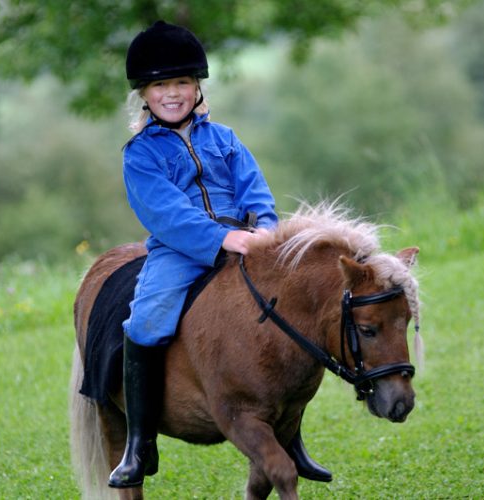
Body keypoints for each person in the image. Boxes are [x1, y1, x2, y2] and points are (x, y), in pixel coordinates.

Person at [108, 20, 331, 489]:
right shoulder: (140, 155)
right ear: (144, 95)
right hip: (182, 249)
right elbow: (165, 212)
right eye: (161, 85)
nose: (173, 94)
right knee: (145, 321)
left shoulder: (225, 138)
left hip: (250, 240)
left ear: (197, 88)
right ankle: (139, 442)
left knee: (287, 317)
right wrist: (219, 239)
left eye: (182, 83)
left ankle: (289, 435)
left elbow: (255, 189)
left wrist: (266, 231)